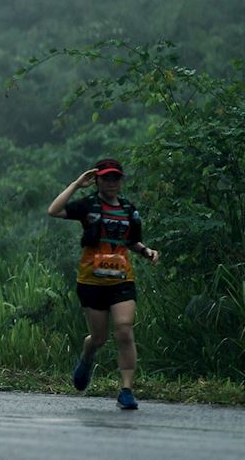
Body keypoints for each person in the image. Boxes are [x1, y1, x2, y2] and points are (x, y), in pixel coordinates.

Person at [47, 158, 160, 410]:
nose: (111, 183)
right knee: (98, 338)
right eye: (106, 178)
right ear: (97, 180)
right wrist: (77, 184)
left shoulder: (129, 210)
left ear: (120, 181)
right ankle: (87, 359)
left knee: (123, 329)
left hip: (122, 279)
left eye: (115, 178)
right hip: (91, 281)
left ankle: (127, 390)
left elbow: (132, 241)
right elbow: (53, 210)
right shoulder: (88, 206)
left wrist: (147, 251)